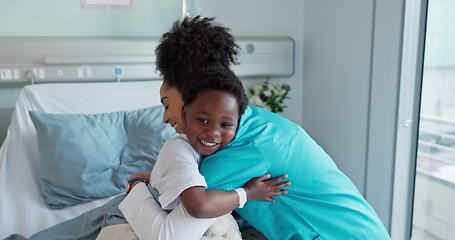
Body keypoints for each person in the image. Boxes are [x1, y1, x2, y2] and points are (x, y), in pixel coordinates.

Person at [144, 16, 391, 239]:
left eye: (167, 104)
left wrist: (137, 185)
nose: (165, 118)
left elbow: (183, 202)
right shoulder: (251, 123)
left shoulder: (245, 147)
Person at [119, 68, 290, 240]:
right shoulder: (178, 147)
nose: (214, 132)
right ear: (186, 110)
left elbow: (180, 175)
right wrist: (247, 193)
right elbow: (188, 216)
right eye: (203, 120)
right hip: (132, 215)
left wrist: (144, 177)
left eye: (167, 105)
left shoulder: (213, 150)